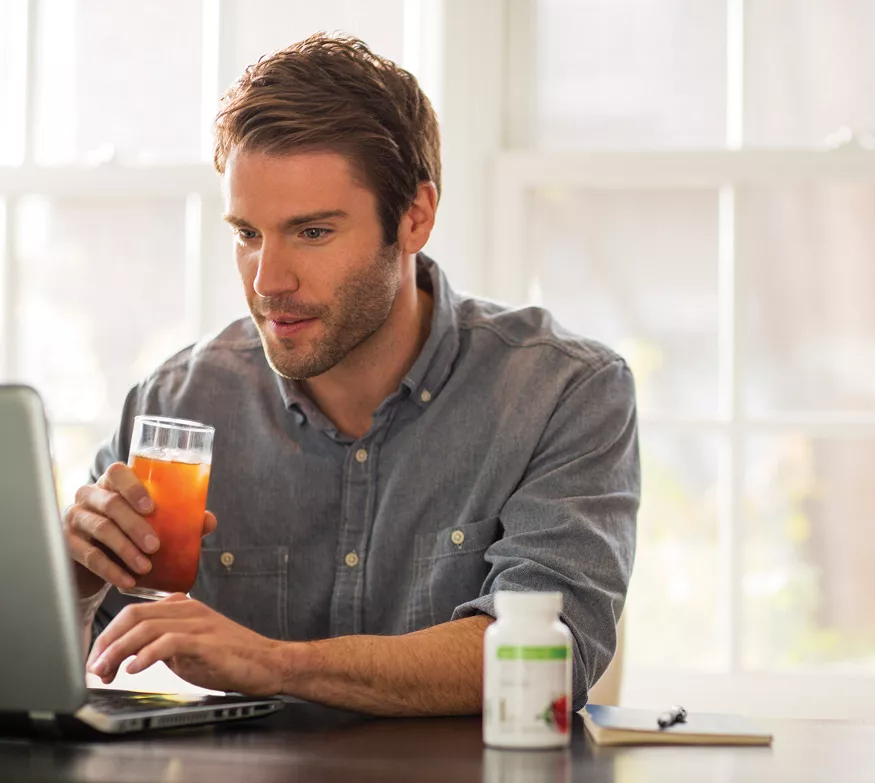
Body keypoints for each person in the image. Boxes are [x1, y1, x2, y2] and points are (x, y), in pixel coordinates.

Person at [63, 33, 639, 717]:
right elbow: (58, 666)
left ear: (415, 217)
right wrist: (70, 583)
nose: (266, 280)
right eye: (247, 233)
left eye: (312, 232)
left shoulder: (561, 391)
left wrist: (273, 661)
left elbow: (546, 657)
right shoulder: (179, 401)